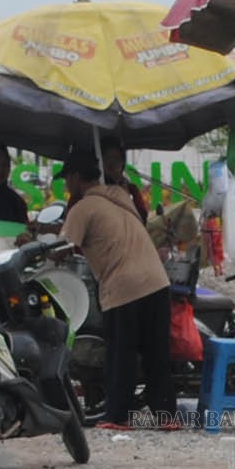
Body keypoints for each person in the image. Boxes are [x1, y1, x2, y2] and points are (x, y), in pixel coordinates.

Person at [60, 153, 174, 429]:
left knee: (120, 353)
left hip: (124, 286)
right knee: (156, 352)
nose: (66, 185)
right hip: (157, 280)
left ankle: (117, 416)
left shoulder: (83, 208)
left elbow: (59, 249)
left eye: (66, 179)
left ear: (75, 178)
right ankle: (166, 416)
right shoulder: (119, 195)